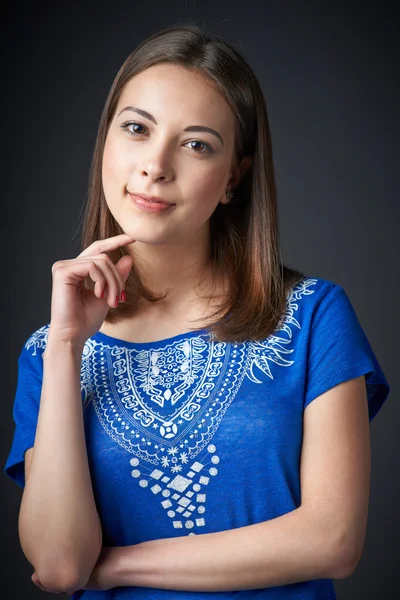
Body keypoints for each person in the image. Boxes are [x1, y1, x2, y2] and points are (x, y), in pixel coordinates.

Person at [4, 22, 390, 599]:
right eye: (136, 129)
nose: (155, 166)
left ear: (234, 176)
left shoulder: (312, 318)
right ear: (106, 142)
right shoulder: (49, 351)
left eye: (196, 144)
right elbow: (60, 567)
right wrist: (66, 346)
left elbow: (333, 541)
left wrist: (115, 567)